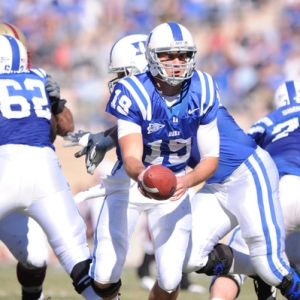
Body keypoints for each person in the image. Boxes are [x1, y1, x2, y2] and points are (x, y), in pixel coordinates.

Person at [68, 22, 220, 300]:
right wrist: (145, 176)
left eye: (183, 55)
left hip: (176, 181)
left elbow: (211, 157)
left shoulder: (205, 87)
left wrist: (183, 181)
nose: (177, 63)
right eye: (168, 56)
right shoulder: (133, 90)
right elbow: (131, 159)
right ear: (151, 57)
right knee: (103, 275)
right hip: (129, 183)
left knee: (172, 279)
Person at [0, 35, 100, 300]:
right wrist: (52, 103)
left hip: (5, 169)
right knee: (77, 257)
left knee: (36, 257)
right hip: (45, 169)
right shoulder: (39, 78)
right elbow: (65, 130)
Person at [181, 80, 300, 300]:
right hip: (286, 185)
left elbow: (246, 152)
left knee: (251, 252)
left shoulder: (268, 121)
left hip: (286, 188)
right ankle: (270, 272)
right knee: (274, 265)